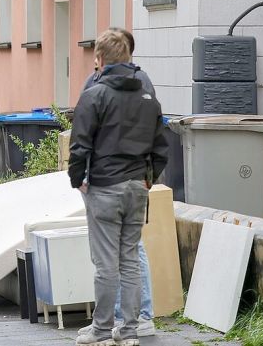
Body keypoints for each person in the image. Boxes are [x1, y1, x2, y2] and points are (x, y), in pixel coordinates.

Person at [69, 30, 170, 346]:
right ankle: (129, 331)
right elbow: (160, 148)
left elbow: (79, 145)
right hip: (136, 187)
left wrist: (78, 181)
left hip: (104, 186)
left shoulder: (94, 96)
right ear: (129, 59)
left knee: (105, 264)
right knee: (129, 260)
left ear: (99, 60)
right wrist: (147, 179)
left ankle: (101, 330)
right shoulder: (148, 99)